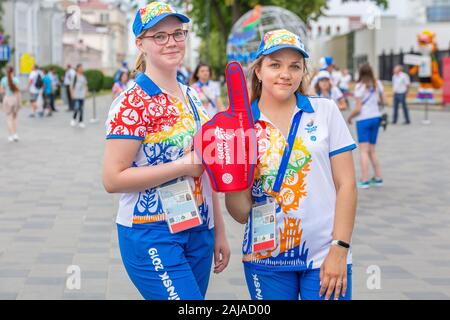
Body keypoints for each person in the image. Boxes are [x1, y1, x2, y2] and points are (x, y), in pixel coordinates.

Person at [102, 1, 230, 300]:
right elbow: (112, 178)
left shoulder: (193, 95)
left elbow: (205, 169)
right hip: (152, 231)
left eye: (177, 33)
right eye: (159, 36)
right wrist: (183, 166)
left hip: (199, 229)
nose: (171, 42)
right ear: (140, 44)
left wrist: (218, 230)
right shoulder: (131, 102)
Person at [224, 29, 357, 300]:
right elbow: (239, 212)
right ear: (259, 71)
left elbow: (347, 185)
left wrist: (340, 248)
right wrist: (234, 171)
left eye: (295, 66)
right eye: (275, 65)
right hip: (265, 258)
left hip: (324, 255)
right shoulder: (240, 125)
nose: (286, 73)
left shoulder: (325, 112)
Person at [347, 63, 385, 189]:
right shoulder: (377, 84)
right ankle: (378, 177)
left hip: (363, 119)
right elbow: (383, 101)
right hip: (376, 117)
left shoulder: (359, 87)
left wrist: (350, 117)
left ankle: (365, 180)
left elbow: (358, 108)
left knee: (363, 151)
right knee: (372, 150)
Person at [0, 66, 22, 142]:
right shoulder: (16, 80)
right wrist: (19, 102)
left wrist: (6, 92)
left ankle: (10, 136)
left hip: (7, 99)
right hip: (15, 99)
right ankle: (15, 135)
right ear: (13, 71)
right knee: (14, 118)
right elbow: (18, 92)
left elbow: (1, 91)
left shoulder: (3, 80)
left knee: (8, 118)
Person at [70, 64, 88, 128]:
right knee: (76, 107)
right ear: (77, 68)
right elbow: (71, 86)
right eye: (81, 68)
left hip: (82, 95)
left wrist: (86, 92)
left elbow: (85, 85)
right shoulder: (74, 76)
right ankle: (73, 119)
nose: (82, 69)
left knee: (81, 108)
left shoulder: (83, 76)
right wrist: (72, 94)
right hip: (76, 95)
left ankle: (81, 121)